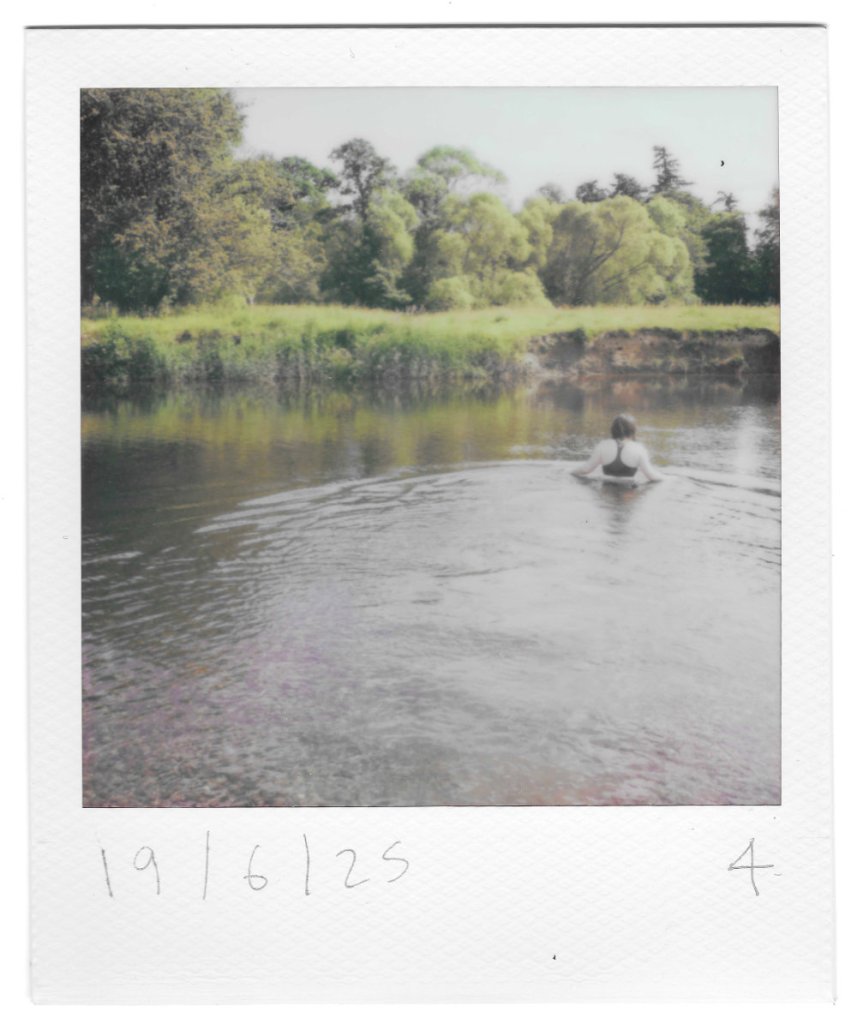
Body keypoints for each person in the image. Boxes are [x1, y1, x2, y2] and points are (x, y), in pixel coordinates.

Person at [571, 413, 664, 482]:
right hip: (629, 493)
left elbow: (585, 469)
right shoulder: (639, 449)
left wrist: (570, 472)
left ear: (613, 430)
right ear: (632, 430)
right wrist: (670, 478)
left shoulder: (603, 445)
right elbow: (652, 476)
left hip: (607, 496)